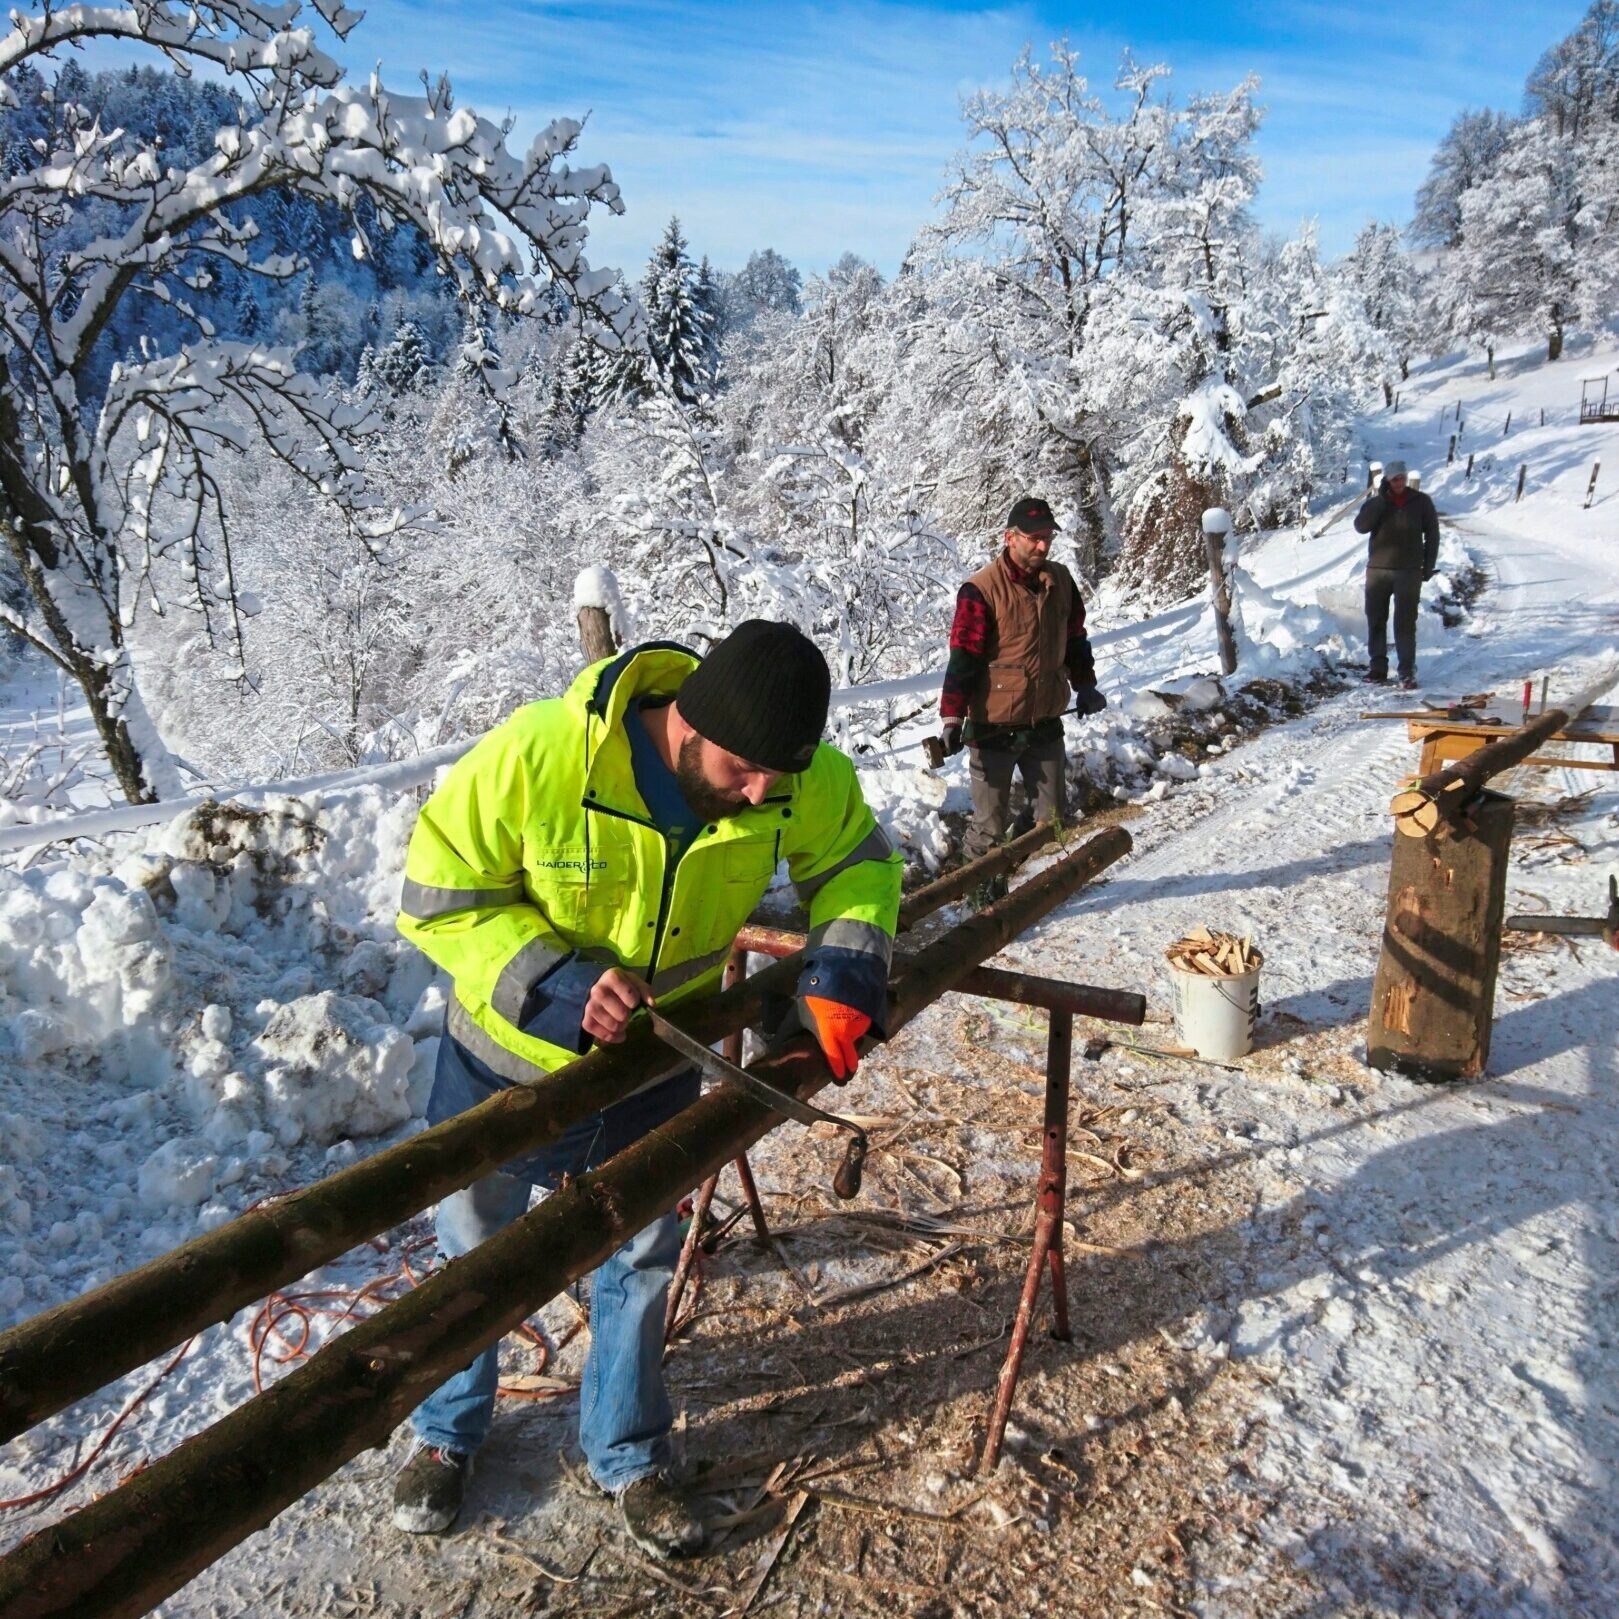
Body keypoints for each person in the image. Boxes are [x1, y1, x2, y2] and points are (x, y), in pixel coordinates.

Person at [391, 621, 902, 1557]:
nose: (759, 794)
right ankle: (443, 1432)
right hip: (504, 1070)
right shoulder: (546, 751)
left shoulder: (791, 774)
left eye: (773, 780)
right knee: (474, 1252)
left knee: (639, 1261)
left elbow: (860, 863)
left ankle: (627, 1452)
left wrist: (843, 974)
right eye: (743, 770)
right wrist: (552, 980)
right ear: (687, 724)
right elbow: (436, 889)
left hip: (652, 1076)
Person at [938, 496, 1104, 889]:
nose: (1043, 546)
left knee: (1051, 817)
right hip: (992, 727)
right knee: (988, 825)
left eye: (1048, 538)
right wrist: (951, 717)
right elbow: (963, 658)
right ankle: (979, 895)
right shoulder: (980, 590)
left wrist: (1086, 685)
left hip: (1045, 719)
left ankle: (1006, 868)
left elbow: (1076, 638)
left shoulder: (1061, 581)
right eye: (1034, 538)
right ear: (1009, 537)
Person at [1354, 458, 1439, 689]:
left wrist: (1428, 565)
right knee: (1376, 620)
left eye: (1401, 478)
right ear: (1387, 480)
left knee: (1405, 623)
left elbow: (1432, 534)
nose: (1398, 482)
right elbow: (1361, 526)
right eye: (1394, 479)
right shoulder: (1377, 502)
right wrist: (1381, 500)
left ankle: (1406, 672)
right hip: (1378, 571)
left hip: (1409, 572)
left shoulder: (1421, 502)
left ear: (1406, 478)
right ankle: (1378, 668)